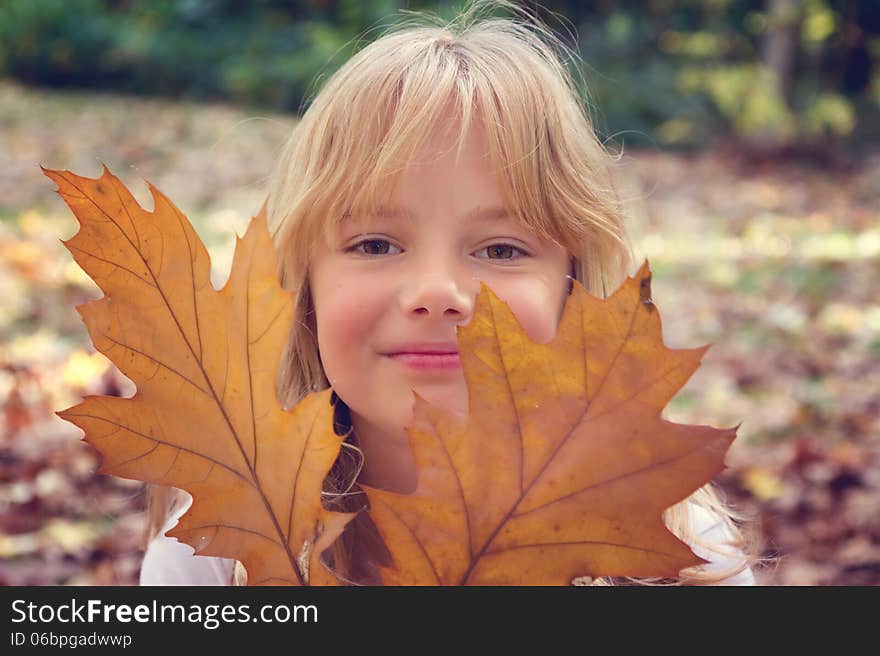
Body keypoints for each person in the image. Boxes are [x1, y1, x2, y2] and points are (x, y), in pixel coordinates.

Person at [140, 0, 758, 586]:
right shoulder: (221, 553)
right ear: (303, 291)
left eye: (501, 250)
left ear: (576, 292)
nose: (437, 294)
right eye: (376, 245)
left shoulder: (671, 556)